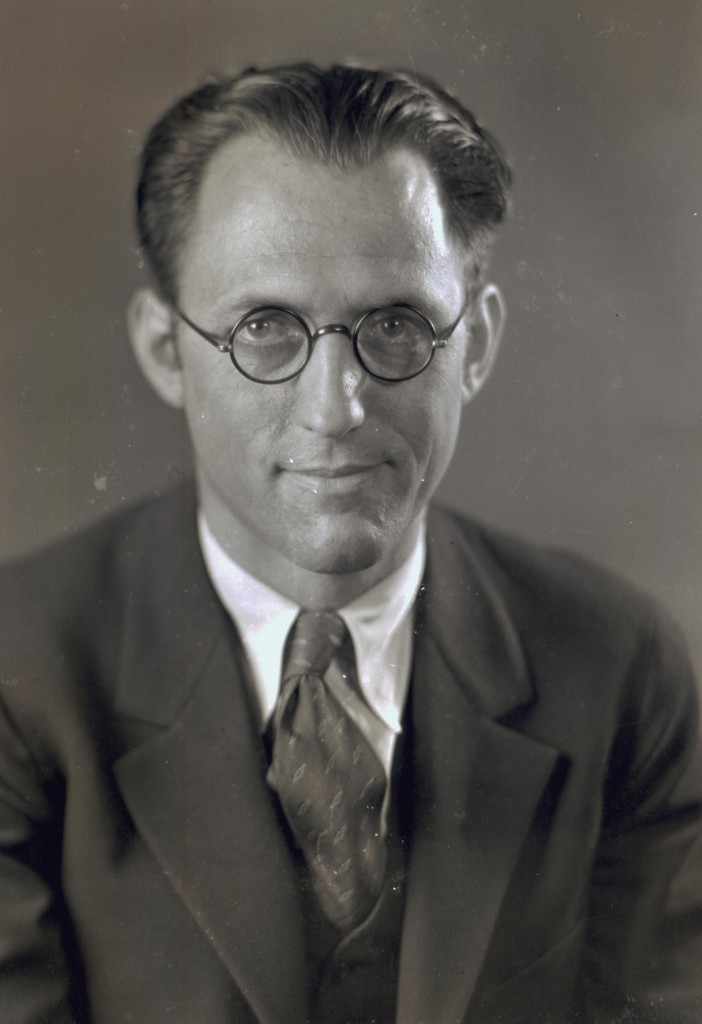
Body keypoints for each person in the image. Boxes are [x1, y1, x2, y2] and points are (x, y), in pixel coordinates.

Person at [0, 62, 700, 1024]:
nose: (336, 409)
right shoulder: (21, 671)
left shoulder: (617, 666)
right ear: (167, 351)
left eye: (398, 326)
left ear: (476, 345)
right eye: (265, 329)